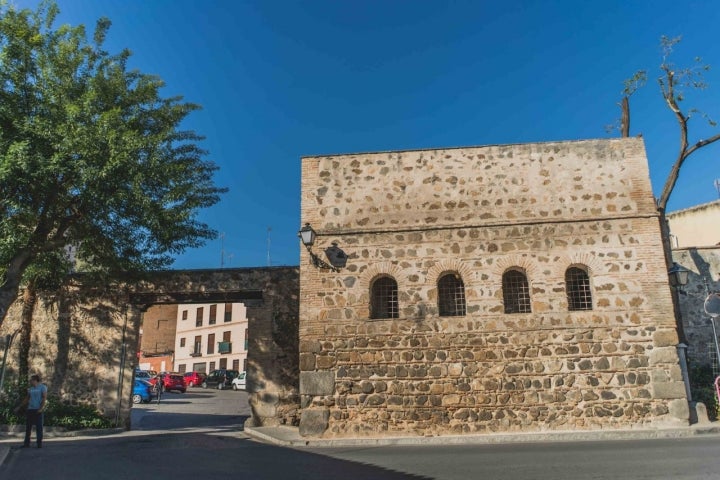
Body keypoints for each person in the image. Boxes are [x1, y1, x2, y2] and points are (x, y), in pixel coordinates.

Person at [15, 374, 47, 449]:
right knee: (28, 427)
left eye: (31, 380)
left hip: (38, 409)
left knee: (39, 427)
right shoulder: (31, 389)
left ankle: (39, 443)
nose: (30, 381)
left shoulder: (42, 387)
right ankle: (26, 443)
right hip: (30, 409)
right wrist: (19, 406)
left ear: (35, 380)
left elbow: (44, 398)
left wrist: (41, 408)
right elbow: (27, 398)